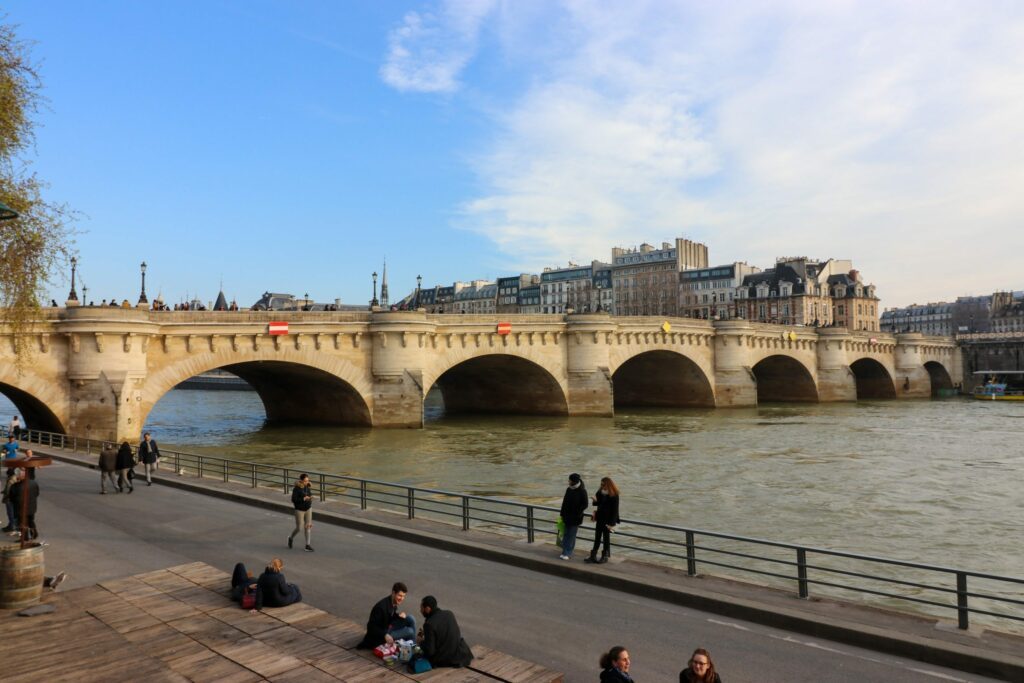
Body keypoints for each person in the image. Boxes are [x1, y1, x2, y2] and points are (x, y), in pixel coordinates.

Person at [416, 595, 474, 668]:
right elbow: (444, 632)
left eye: (421, 608)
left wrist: (421, 642)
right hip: (458, 653)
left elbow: (430, 651)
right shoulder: (449, 613)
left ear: (427, 609)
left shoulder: (429, 624)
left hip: (444, 659)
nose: (420, 611)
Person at [357, 581, 416, 649]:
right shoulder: (381, 607)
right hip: (380, 636)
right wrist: (385, 635)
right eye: (400, 595)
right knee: (409, 631)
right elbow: (371, 627)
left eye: (403, 596)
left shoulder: (392, 602)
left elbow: (390, 615)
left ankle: (412, 645)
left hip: (387, 628)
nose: (402, 598)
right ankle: (412, 648)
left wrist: (398, 615)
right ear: (393, 593)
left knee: (411, 618)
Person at [585, 477, 621, 564]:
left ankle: (604, 556)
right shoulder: (600, 492)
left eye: (603, 484)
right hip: (600, 518)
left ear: (608, 485)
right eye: (601, 484)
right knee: (597, 537)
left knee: (606, 538)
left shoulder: (614, 495)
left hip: (608, 520)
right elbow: (598, 503)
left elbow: (615, 510)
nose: (601, 486)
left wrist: (611, 524)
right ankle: (593, 556)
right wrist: (594, 501)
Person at [559, 473, 588, 560]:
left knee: (571, 535)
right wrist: (562, 514)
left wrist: (577, 513)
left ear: (574, 481)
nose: (568, 481)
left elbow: (585, 504)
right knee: (566, 534)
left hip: (575, 518)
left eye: (570, 480)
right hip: (566, 516)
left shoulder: (582, 491)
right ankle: (564, 551)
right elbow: (564, 503)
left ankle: (568, 553)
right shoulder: (569, 489)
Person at [9, 468, 39, 540]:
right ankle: (34, 534)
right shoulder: (34, 483)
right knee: (31, 521)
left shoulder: (15, 486)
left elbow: (12, 498)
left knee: (22, 523)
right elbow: (37, 493)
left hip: (20, 509)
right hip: (32, 507)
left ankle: (24, 538)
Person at [288, 473, 314, 552]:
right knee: (299, 528)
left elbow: (309, 495)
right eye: (305, 481)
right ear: (301, 481)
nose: (307, 482)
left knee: (308, 526)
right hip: (299, 510)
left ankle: (307, 545)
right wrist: (303, 499)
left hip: (308, 509)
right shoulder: (296, 489)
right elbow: (293, 500)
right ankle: (290, 538)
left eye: (308, 480)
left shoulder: (307, 487)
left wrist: (310, 498)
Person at [2, 467, 18, 533]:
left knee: (10, 513)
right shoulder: (15, 477)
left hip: (9, 499)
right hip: (14, 499)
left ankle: (12, 526)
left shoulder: (11, 479)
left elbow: (8, 490)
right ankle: (11, 525)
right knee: (13, 513)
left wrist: (5, 494)